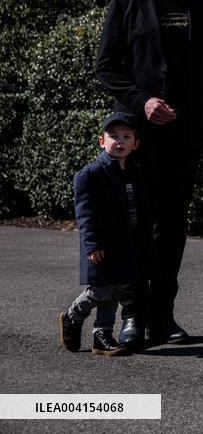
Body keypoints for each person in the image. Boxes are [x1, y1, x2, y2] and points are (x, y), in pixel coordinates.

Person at [96, 0, 203, 348]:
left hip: (185, 138)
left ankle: (163, 315)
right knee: (135, 225)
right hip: (136, 138)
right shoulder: (126, 5)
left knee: (171, 228)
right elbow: (107, 68)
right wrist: (142, 102)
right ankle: (132, 315)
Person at [58, 113, 157, 356]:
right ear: (102, 141)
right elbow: (86, 215)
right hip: (103, 246)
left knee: (117, 290)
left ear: (136, 144)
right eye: (114, 136)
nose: (120, 141)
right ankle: (72, 316)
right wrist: (92, 245)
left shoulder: (135, 172)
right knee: (101, 290)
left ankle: (101, 336)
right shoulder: (90, 175)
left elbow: (142, 211)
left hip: (128, 246)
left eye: (126, 136)